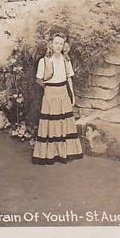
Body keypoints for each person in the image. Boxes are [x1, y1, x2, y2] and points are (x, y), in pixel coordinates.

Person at [32, 33, 83, 165]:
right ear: (51, 45)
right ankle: (50, 154)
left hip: (63, 93)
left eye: (61, 43)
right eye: (56, 43)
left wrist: (72, 96)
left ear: (64, 46)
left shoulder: (66, 60)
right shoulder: (44, 61)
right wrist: (48, 88)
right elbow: (38, 79)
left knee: (63, 122)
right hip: (50, 95)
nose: (58, 46)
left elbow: (69, 78)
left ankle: (64, 153)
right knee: (51, 123)